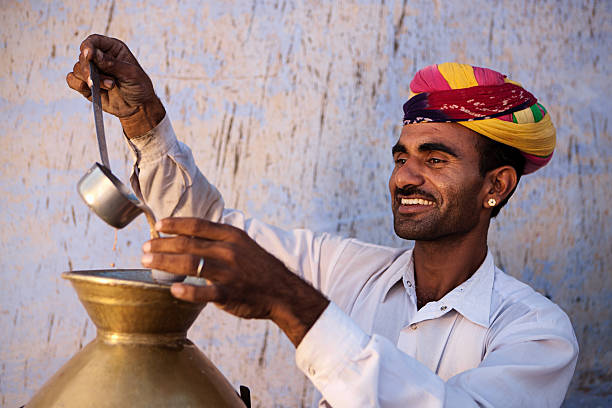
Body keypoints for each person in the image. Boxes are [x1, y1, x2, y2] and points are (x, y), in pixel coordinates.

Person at [67, 34, 578, 407]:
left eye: (436, 159)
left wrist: (293, 304)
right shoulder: (346, 269)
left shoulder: (536, 333)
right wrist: (142, 120)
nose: (406, 177)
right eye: (402, 158)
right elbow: (205, 229)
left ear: (497, 185)